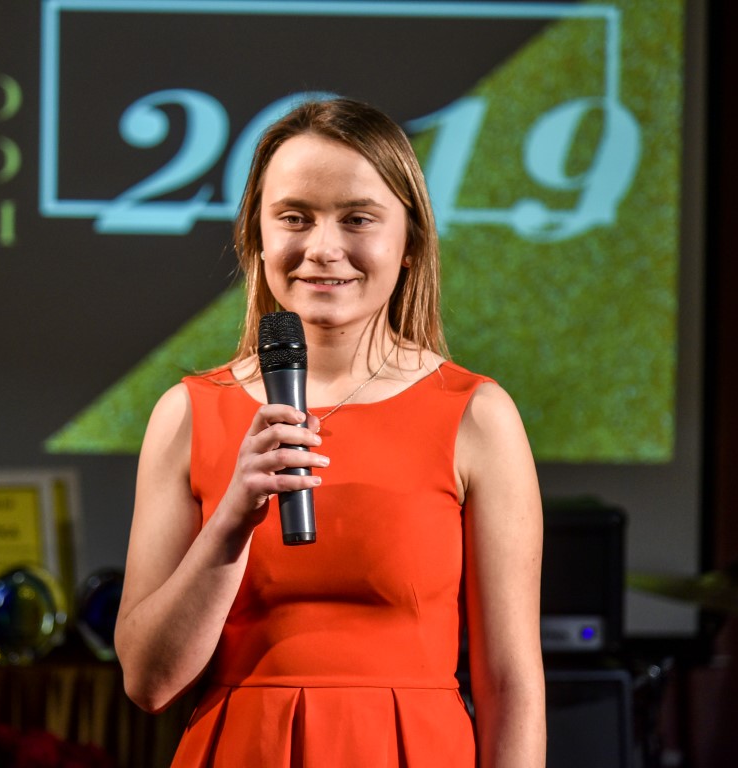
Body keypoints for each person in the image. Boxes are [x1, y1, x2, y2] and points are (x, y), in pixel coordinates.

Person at [115, 97, 545, 767]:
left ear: (409, 242)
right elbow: (148, 682)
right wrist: (231, 520)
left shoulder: (476, 415)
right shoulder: (187, 413)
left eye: (357, 219)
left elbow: (510, 684)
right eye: (294, 218)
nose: (321, 249)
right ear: (257, 237)